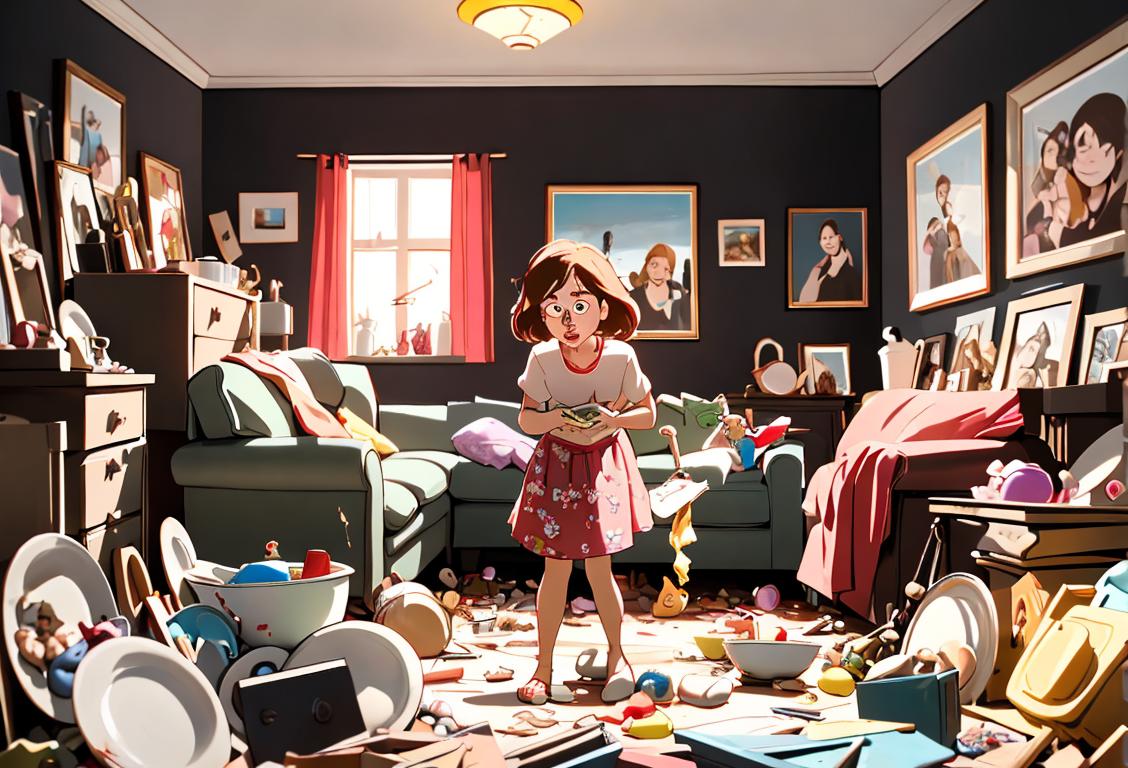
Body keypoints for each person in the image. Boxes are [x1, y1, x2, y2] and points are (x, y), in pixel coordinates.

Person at [509, 239, 657, 705]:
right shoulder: (542, 360)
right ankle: (544, 666)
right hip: (557, 464)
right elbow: (527, 419)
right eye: (555, 308)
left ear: (602, 305)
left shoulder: (621, 358)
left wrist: (615, 420)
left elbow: (648, 414)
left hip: (604, 468)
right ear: (541, 313)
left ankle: (618, 659)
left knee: (599, 569)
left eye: (579, 304)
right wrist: (557, 418)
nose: (568, 320)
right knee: (555, 569)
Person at [1058, 92, 1126, 248]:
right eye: (1081, 147)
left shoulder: (1121, 207)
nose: (1087, 159)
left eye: (1103, 147)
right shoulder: (1069, 227)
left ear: (1118, 153)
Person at [627, 243, 690, 331]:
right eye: (654, 264)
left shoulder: (679, 293)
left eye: (665, 268)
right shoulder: (633, 298)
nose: (659, 272)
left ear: (670, 272)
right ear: (646, 267)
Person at [798, 219, 862, 303]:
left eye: (831, 237)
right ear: (820, 242)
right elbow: (803, 302)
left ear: (840, 238)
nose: (828, 242)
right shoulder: (819, 270)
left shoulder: (851, 273)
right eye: (824, 238)